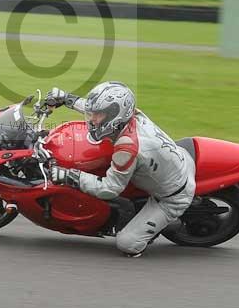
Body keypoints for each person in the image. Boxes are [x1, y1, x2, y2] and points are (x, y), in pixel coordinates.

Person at [44, 81, 196, 257]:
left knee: (127, 244)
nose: (92, 119)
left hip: (173, 195)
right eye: (92, 113)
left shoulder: (127, 148)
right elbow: (95, 108)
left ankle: (161, 225)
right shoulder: (132, 115)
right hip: (177, 160)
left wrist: (69, 176)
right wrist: (66, 98)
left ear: (114, 115)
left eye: (98, 115)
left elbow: (109, 189)